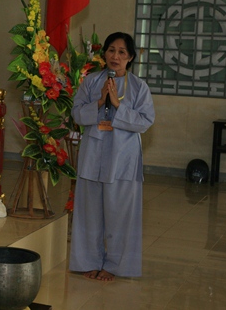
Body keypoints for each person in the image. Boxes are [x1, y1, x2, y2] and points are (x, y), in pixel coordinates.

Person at [68, 32, 155, 282]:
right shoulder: (91, 82)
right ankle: (89, 261)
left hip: (123, 158)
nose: (115, 56)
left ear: (130, 58)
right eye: (111, 50)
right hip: (93, 155)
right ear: (104, 54)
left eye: (122, 52)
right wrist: (99, 102)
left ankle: (115, 265)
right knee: (89, 213)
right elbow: (77, 114)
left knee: (120, 214)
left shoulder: (138, 87)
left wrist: (118, 104)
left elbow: (145, 122)